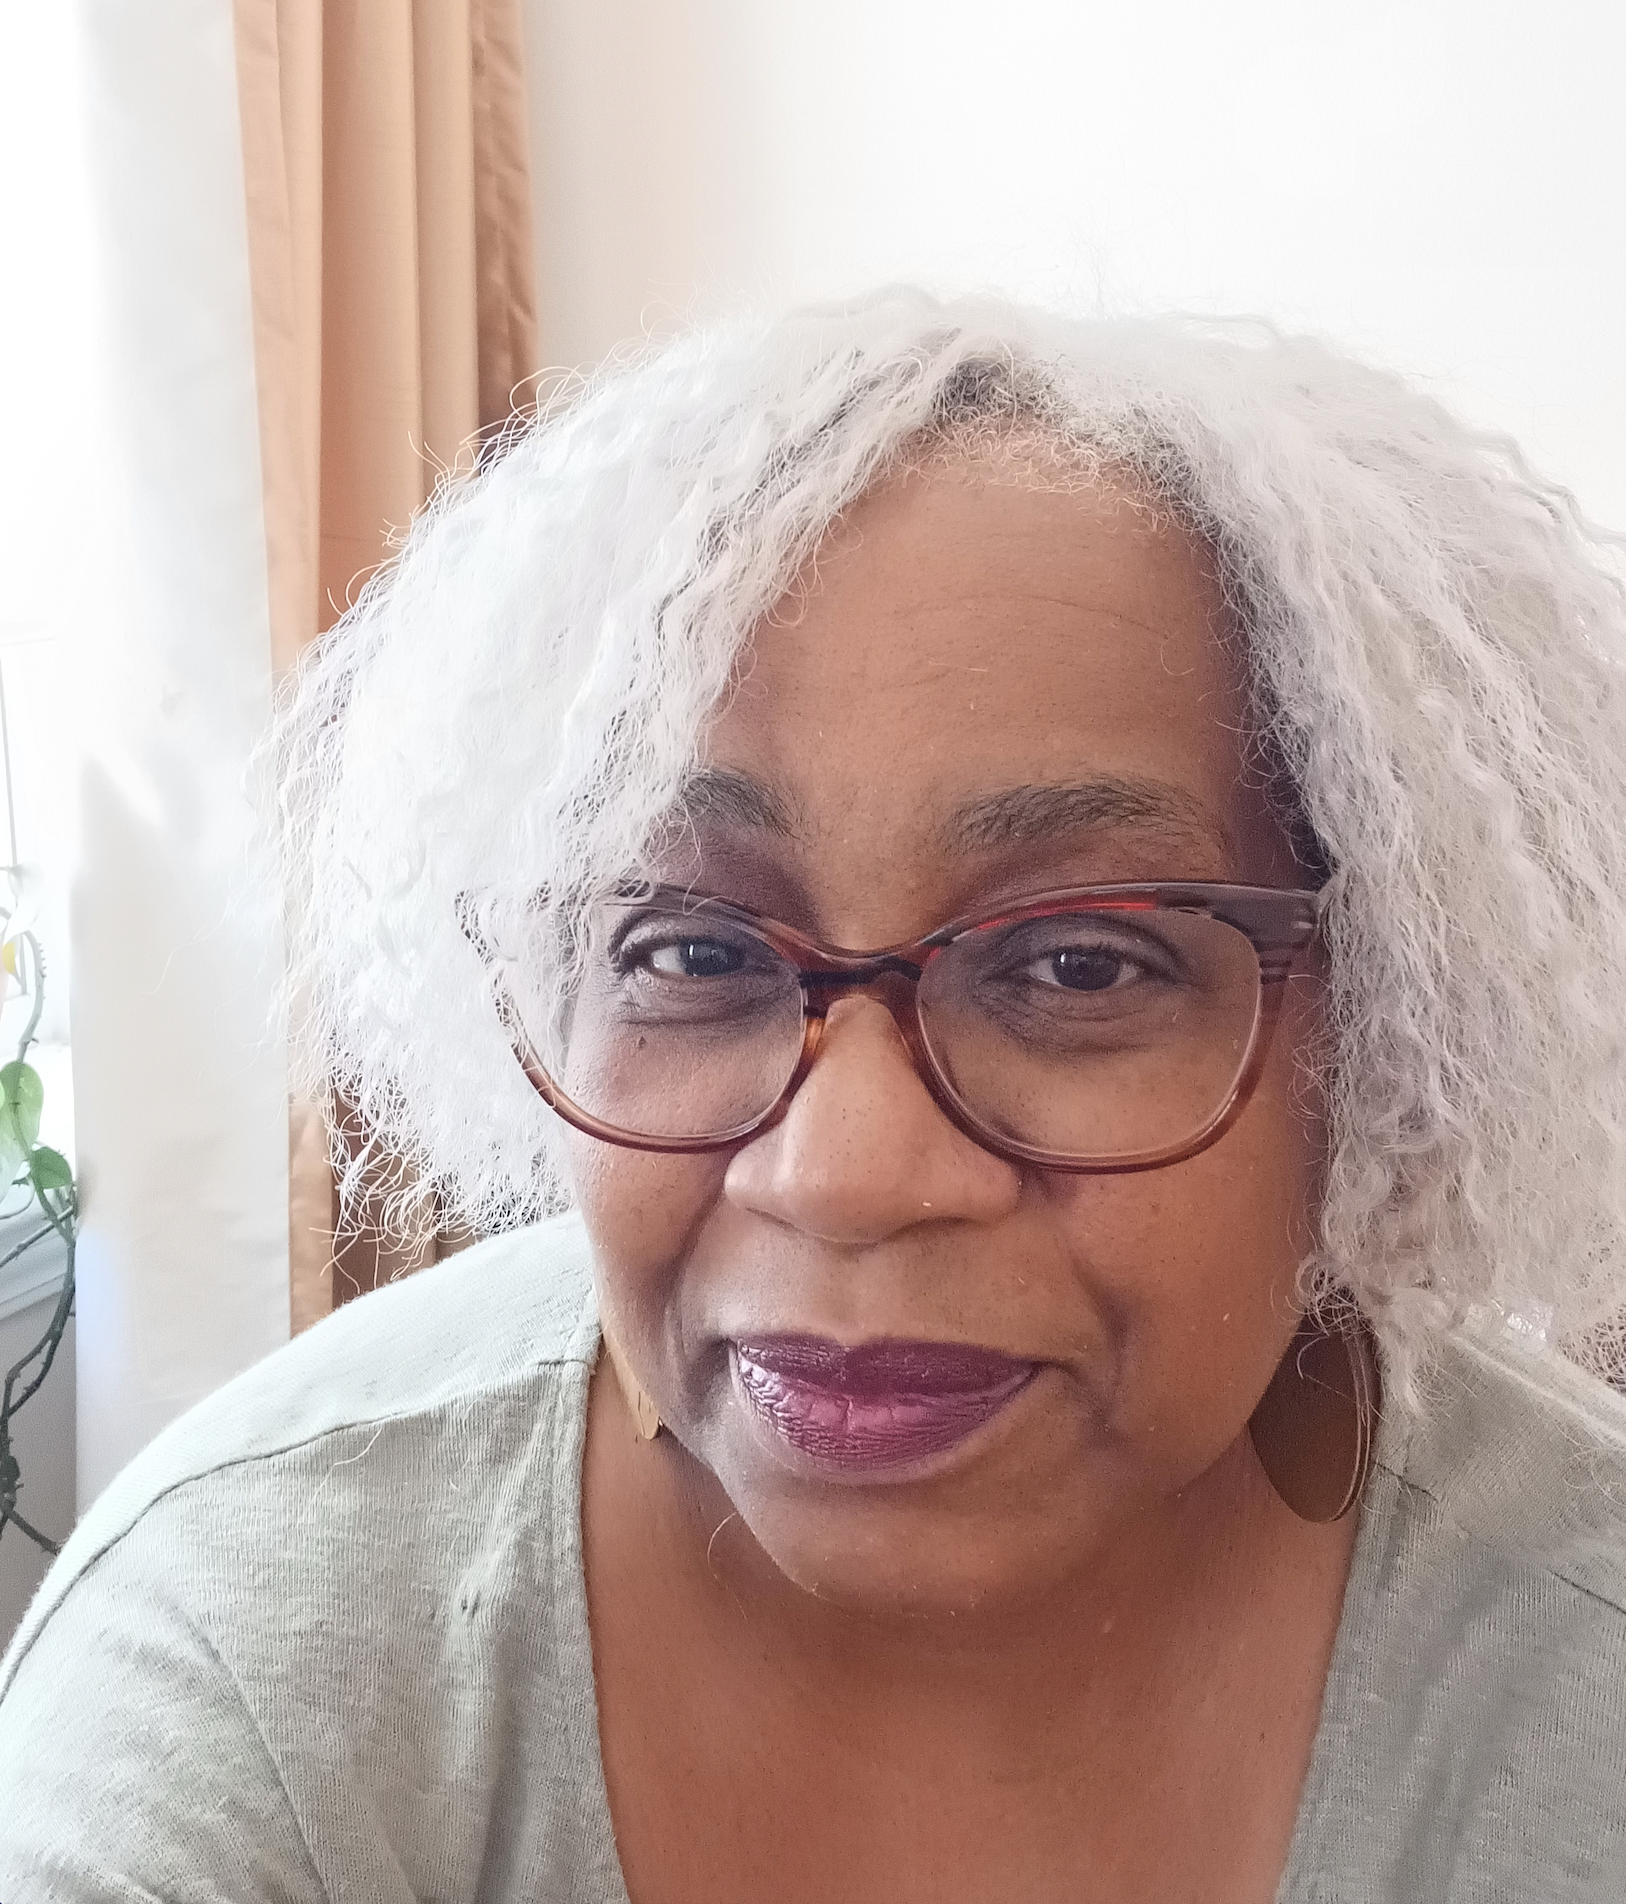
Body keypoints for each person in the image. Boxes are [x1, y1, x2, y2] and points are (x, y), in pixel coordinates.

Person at [4, 290, 1626, 1902]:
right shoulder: (255, 1656)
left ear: (1382, 1027)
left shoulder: (1572, 1672)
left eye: (1080, 964)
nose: (842, 1175)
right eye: (693, 948)